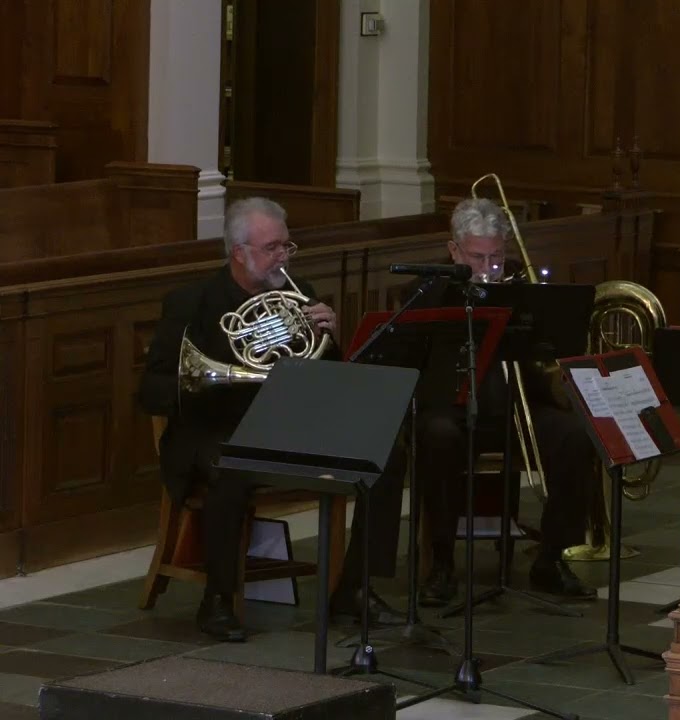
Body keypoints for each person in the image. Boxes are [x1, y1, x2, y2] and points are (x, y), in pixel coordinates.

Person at [139, 197, 407, 642]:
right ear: (238, 252)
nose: (282, 257)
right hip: (216, 426)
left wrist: (329, 337)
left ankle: (355, 589)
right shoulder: (191, 303)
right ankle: (218, 599)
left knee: (386, 455)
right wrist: (214, 380)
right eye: (271, 248)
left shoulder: (299, 293)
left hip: (288, 424)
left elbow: (326, 378)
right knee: (231, 466)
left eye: (286, 247)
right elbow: (152, 389)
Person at [417, 198, 598, 606]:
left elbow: (550, 349)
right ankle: (441, 563)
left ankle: (551, 557)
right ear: (454, 251)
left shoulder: (522, 292)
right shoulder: (429, 290)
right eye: (477, 257)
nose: (487, 267)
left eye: (495, 256)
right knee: (437, 435)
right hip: (454, 410)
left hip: (517, 406)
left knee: (574, 434)